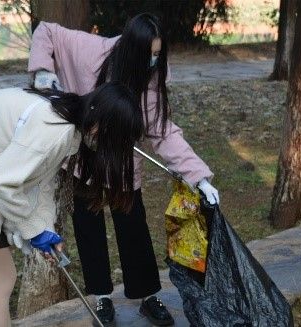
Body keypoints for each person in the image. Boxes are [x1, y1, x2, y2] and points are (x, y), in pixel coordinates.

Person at [27, 12, 220, 326]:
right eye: (149, 55)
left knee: (134, 228)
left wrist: (199, 177)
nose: (154, 61)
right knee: (89, 230)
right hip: (84, 161)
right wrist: (43, 71)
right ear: (131, 49)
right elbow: (46, 31)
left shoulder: (153, 82)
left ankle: (147, 296)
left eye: (159, 54)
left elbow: (162, 131)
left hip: (124, 167)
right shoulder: (92, 50)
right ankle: (101, 299)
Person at [0, 82, 143, 327]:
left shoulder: (66, 120)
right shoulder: (55, 130)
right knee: (1, 280)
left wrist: (43, 229)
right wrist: (34, 230)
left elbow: (39, 182)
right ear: (100, 124)